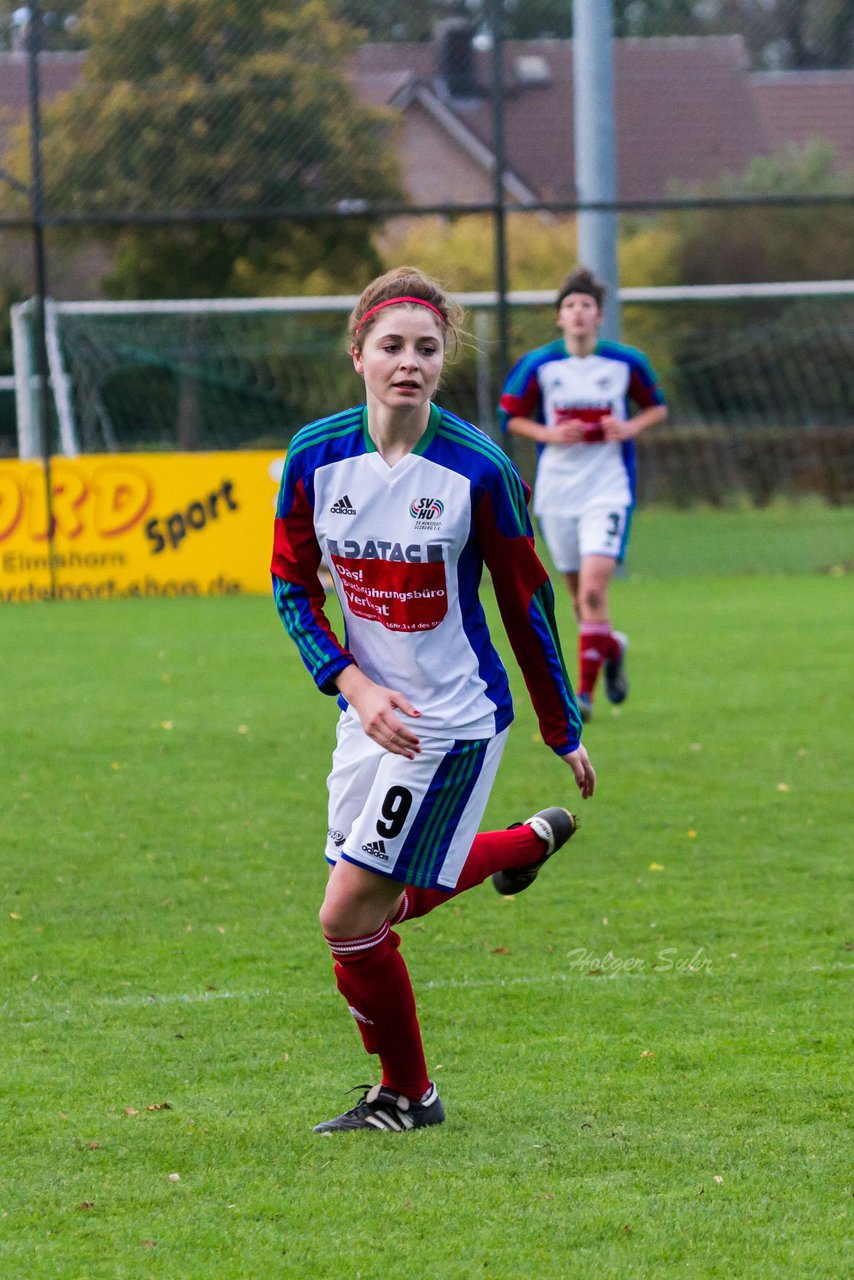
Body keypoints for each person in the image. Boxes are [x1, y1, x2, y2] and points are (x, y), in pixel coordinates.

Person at [271, 266, 596, 1134]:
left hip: (452, 721)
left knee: (346, 912)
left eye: (426, 347)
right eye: (392, 347)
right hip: (366, 715)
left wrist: (561, 726)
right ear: (359, 356)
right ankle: (524, 841)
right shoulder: (313, 457)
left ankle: (410, 1095)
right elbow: (291, 587)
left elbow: (527, 603)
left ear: (443, 359)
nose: (408, 362)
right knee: (381, 901)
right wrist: (352, 681)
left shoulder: (479, 468)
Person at [499, 267, 668, 721]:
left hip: (607, 489)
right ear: (559, 317)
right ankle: (611, 647)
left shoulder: (625, 362)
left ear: (599, 316)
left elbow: (657, 406)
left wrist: (629, 426)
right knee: (578, 600)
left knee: (594, 591)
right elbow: (509, 416)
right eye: (569, 306)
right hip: (557, 493)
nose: (577, 314)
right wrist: (549, 434)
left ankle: (584, 696)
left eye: (586, 306)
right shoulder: (540, 364)